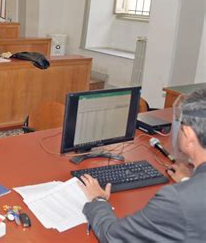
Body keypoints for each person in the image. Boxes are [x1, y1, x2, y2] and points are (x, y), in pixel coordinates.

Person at [79, 88, 206, 242]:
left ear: (188, 134)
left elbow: (112, 236)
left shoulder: (176, 199)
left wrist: (97, 200)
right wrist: (188, 182)